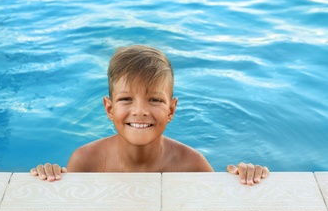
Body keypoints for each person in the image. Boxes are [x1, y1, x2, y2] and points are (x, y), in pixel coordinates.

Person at [31, 45, 269, 185]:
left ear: (171, 110)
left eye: (154, 99)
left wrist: (245, 177)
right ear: (109, 109)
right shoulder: (86, 161)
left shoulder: (192, 164)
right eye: (126, 99)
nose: (140, 111)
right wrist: (48, 177)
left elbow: (219, 209)